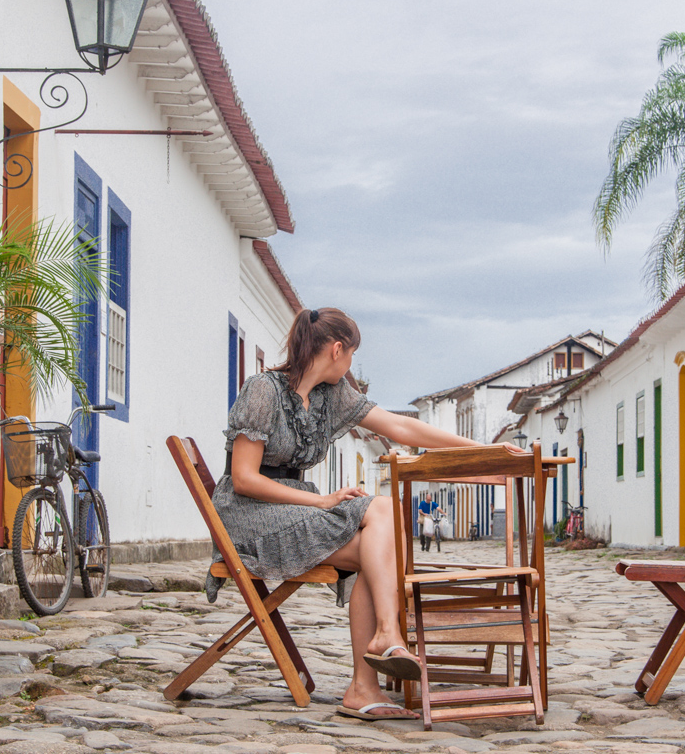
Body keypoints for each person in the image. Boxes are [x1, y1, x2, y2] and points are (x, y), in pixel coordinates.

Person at [208, 307, 510, 721]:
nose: (350, 364)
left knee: (377, 550)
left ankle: (363, 685)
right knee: (381, 518)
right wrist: (321, 501)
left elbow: (401, 428)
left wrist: (481, 451)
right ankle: (385, 640)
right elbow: (243, 478)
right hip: (249, 516)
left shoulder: (332, 396)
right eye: (351, 355)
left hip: (292, 505)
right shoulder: (263, 389)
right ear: (336, 350)